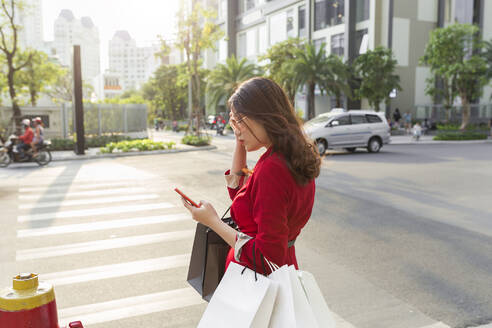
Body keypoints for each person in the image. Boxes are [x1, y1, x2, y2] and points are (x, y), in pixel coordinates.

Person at [181, 77, 321, 275]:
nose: (236, 128)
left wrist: (212, 222)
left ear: (262, 116)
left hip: (255, 282)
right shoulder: (291, 156)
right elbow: (246, 199)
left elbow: (267, 257)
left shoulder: (272, 169)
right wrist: (240, 139)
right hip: (282, 272)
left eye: (240, 120)